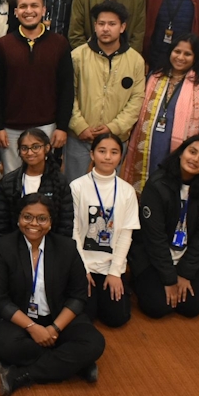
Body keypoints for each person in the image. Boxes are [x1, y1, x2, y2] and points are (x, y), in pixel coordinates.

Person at [0, 194, 105, 396]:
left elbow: (78, 296)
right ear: (18, 219)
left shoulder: (66, 248)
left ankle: (22, 375)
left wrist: (54, 328)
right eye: (27, 217)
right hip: (21, 321)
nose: (34, 223)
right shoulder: (3, 248)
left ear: (50, 223)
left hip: (59, 318)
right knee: (3, 345)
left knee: (94, 343)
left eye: (42, 218)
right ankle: (75, 364)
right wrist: (33, 328)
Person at [129, 135, 199, 318]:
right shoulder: (157, 184)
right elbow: (154, 238)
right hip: (154, 256)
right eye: (192, 152)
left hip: (188, 256)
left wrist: (185, 274)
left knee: (192, 308)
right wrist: (170, 278)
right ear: (181, 153)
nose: (195, 159)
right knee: (156, 307)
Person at [120, 34, 199, 194]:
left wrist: (198, 151)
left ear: (196, 57)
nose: (181, 57)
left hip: (181, 150)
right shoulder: (155, 76)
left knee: (168, 191)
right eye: (177, 51)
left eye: (187, 54)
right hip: (148, 145)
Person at [0, 0, 73, 173]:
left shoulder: (59, 44)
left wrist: (62, 127)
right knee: (13, 181)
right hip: (10, 130)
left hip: (48, 126)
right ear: (16, 11)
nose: (29, 11)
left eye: (34, 5)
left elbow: (67, 88)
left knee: (45, 180)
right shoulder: (3, 46)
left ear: (43, 10)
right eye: (23, 6)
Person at [66, 0, 146, 184]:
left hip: (115, 140)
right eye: (101, 24)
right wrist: (80, 126)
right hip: (79, 138)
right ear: (95, 26)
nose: (105, 29)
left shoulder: (135, 60)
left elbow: (137, 100)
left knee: (108, 192)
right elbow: (68, 95)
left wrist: (113, 128)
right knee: (75, 189)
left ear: (123, 27)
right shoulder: (77, 56)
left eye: (112, 24)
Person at [70, 133, 139, 328]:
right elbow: (73, 230)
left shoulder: (127, 191)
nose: (107, 157)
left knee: (117, 319)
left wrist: (116, 272)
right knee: (85, 317)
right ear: (92, 154)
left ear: (120, 156)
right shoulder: (77, 186)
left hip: (110, 266)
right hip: (84, 265)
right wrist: (81, 269)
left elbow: (126, 234)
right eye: (102, 151)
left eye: (114, 152)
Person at [0, 128, 73, 240]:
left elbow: (65, 224)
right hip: (15, 246)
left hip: (51, 247)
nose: (30, 153)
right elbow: (1, 225)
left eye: (35, 147)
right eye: (24, 148)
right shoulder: (8, 182)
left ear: (47, 148)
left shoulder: (59, 181)